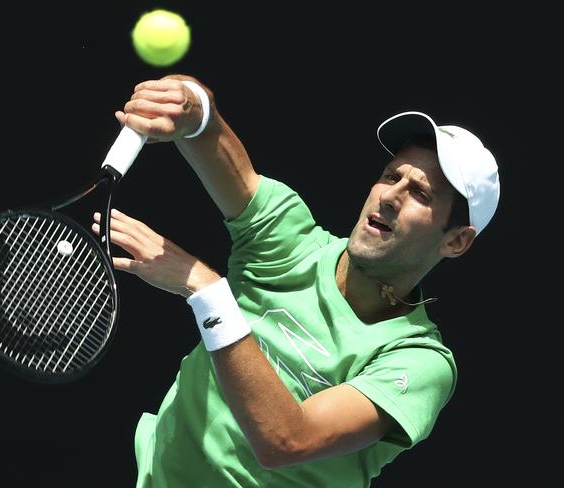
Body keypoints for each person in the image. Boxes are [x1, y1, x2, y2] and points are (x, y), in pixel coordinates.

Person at [91, 75, 500, 487]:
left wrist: (208, 291)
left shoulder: (418, 362)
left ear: (457, 241)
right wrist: (192, 106)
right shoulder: (289, 243)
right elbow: (209, 134)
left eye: (421, 194)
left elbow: (287, 440)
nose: (390, 196)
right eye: (391, 176)